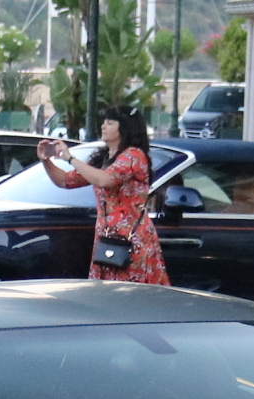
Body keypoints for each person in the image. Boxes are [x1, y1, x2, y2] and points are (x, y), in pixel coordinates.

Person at [35, 106, 169, 284]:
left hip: (132, 238)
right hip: (107, 237)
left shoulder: (134, 156)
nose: (103, 126)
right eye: (104, 122)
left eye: (110, 123)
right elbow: (65, 181)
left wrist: (70, 158)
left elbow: (106, 180)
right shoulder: (103, 158)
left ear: (124, 128)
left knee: (131, 292)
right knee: (105, 291)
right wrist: (46, 161)